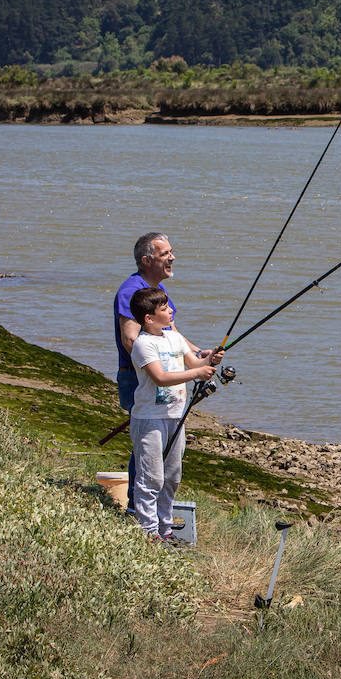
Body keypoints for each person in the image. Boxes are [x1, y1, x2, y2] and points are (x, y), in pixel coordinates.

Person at [113, 232, 214, 512]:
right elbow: (131, 339)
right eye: (165, 254)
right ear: (146, 260)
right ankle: (137, 506)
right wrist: (163, 370)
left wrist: (198, 355)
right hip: (141, 379)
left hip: (168, 380)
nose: (172, 257)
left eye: (172, 251)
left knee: (165, 448)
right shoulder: (132, 291)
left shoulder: (158, 291)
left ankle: (155, 510)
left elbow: (173, 335)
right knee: (148, 446)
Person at [128, 286, 215, 543]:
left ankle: (165, 530)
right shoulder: (143, 344)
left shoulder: (174, 338)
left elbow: (195, 364)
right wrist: (197, 374)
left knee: (172, 476)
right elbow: (161, 377)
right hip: (149, 419)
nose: (170, 311)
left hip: (176, 416)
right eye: (164, 308)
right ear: (149, 319)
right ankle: (148, 531)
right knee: (150, 477)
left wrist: (209, 360)